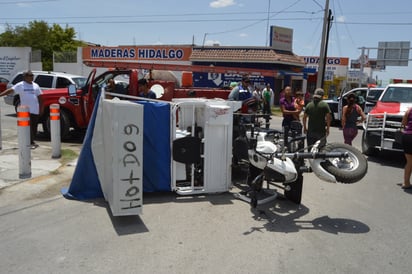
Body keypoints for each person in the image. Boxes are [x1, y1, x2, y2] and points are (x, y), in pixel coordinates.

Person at [0, 70, 42, 149]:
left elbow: (40, 97)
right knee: (27, 128)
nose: (32, 77)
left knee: (34, 128)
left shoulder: (36, 85)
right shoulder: (20, 85)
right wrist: (0, 95)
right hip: (25, 111)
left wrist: (41, 108)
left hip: (35, 110)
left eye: (32, 75)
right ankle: (28, 143)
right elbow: (10, 90)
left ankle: (32, 141)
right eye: (30, 75)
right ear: (25, 77)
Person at [400, 107, 412, 189]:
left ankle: (406, 183)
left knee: (409, 162)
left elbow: (403, 123)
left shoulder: (409, 110)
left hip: (407, 137)